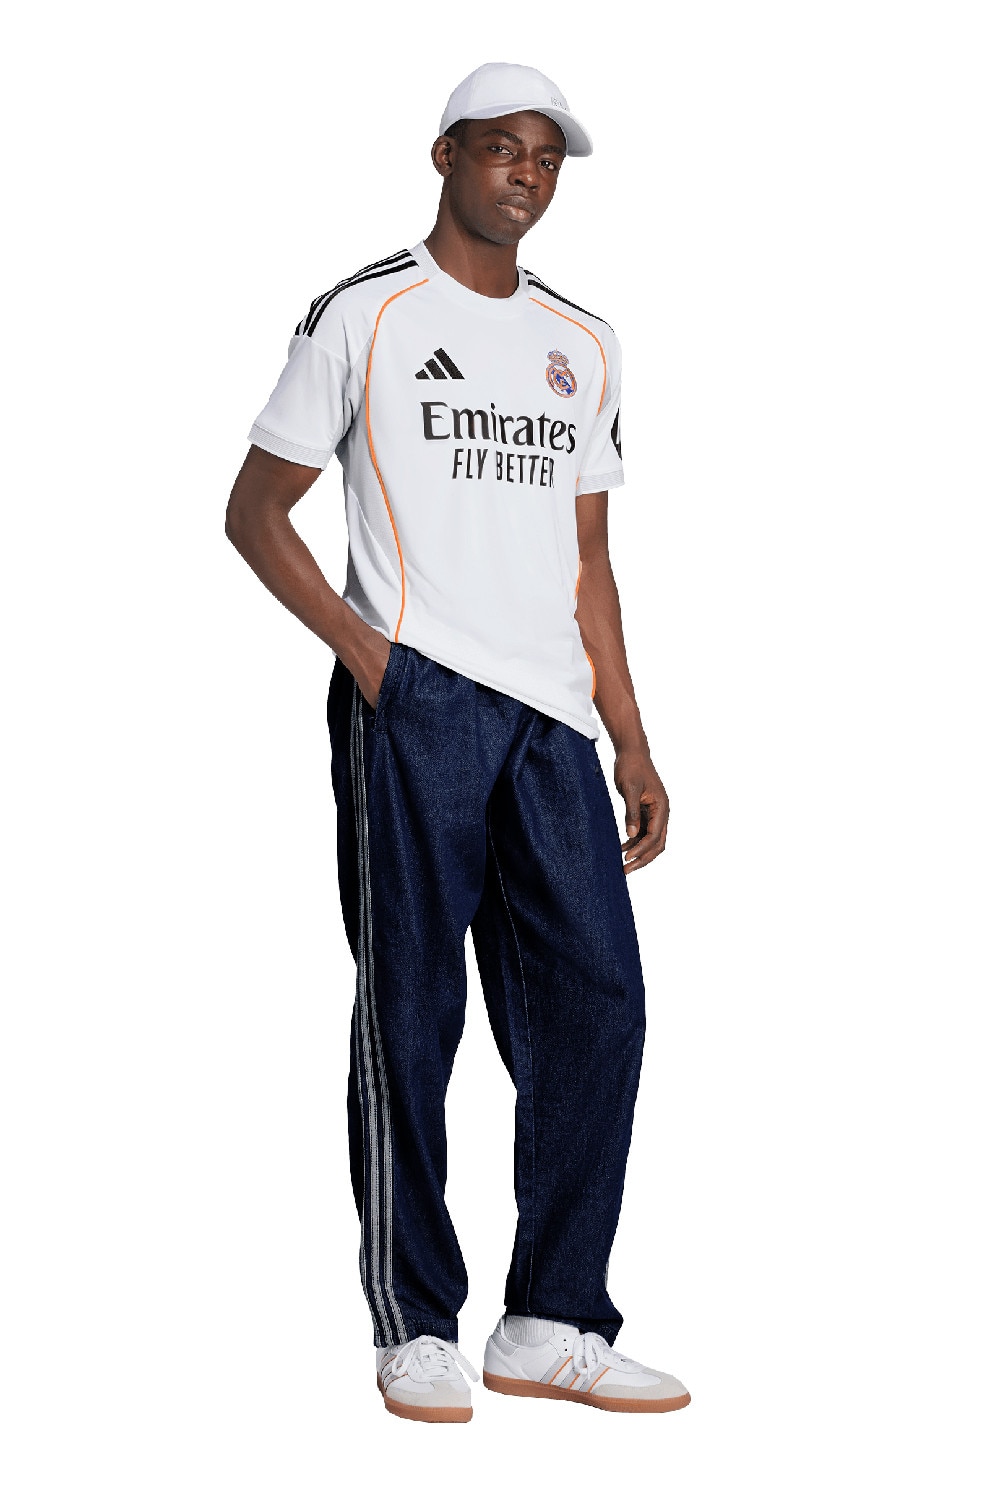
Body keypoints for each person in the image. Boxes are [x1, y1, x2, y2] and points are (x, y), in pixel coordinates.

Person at [225, 61, 690, 1423]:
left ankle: (549, 1318)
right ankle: (414, 1319)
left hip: (551, 720)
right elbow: (255, 511)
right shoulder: (364, 312)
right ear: (445, 156)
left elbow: (588, 555)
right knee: (412, 1009)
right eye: (501, 149)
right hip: (415, 699)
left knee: (598, 1005)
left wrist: (630, 736)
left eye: (545, 159)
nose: (524, 175)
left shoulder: (583, 341)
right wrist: (370, 655)